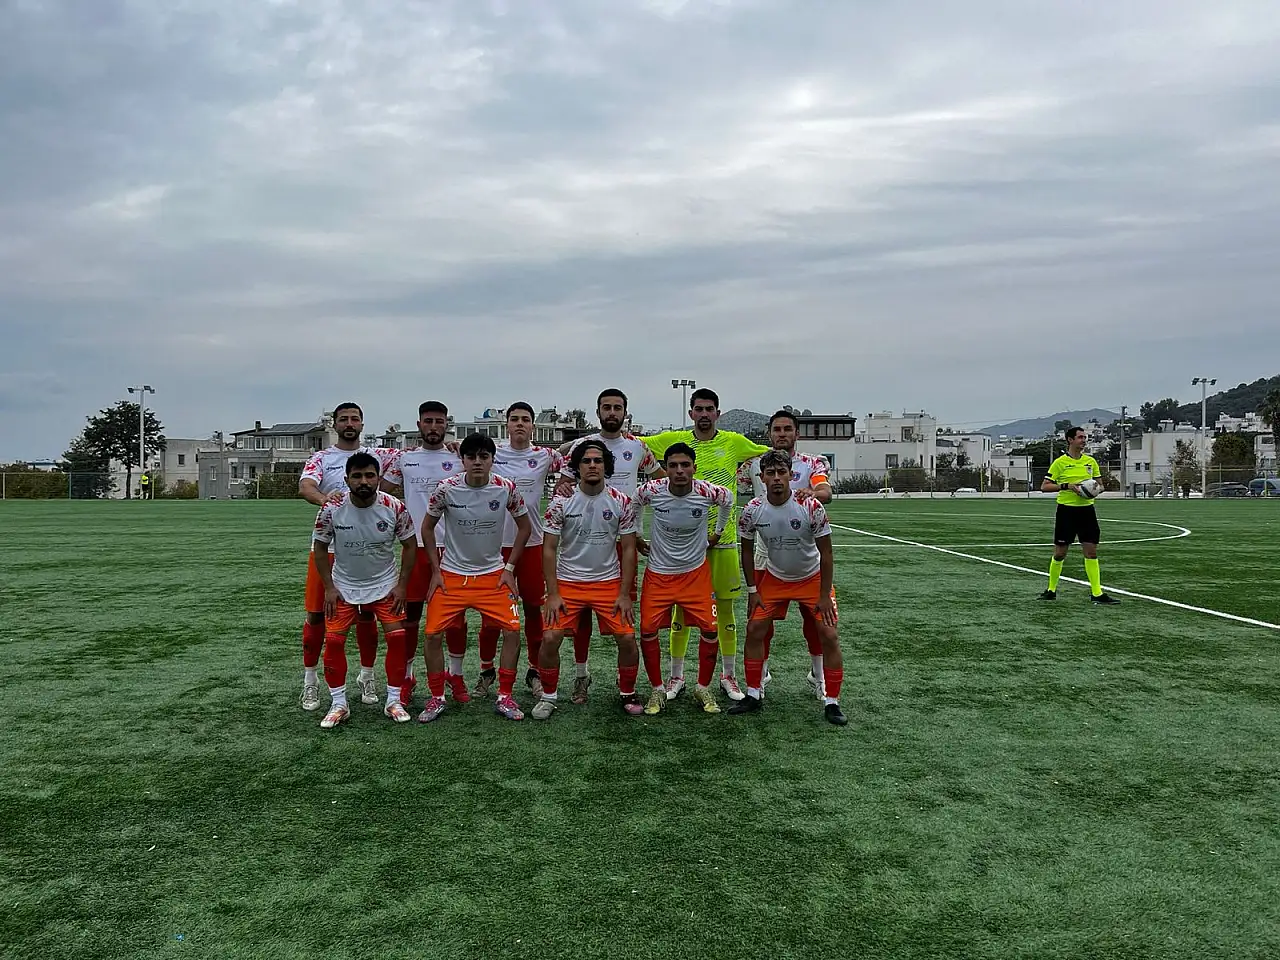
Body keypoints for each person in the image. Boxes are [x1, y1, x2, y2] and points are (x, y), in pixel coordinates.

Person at [639, 388, 769, 702]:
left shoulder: (734, 442)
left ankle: (728, 676)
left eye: (710, 409)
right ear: (691, 413)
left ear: (718, 413)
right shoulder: (674, 441)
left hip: (722, 543)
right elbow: (632, 444)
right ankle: (677, 677)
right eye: (699, 409)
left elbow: (770, 451)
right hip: (681, 548)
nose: (704, 414)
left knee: (724, 612)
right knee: (679, 613)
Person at [556, 388, 664, 703]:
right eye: (607, 407)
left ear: (625, 412)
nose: (612, 412)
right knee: (579, 619)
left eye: (617, 407)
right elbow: (564, 481)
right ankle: (581, 675)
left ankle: (625, 681)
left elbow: (661, 480)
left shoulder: (637, 446)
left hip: (623, 540)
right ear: (598, 412)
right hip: (583, 541)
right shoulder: (583, 446)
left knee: (622, 616)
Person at [419, 433, 533, 722]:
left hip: (493, 576)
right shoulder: (446, 489)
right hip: (452, 576)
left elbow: (525, 527)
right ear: (463, 460)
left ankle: (505, 696)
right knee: (431, 635)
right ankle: (436, 697)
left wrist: (509, 569)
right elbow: (427, 528)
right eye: (471, 457)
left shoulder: (505, 488)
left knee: (512, 631)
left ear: (492, 460)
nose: (478, 462)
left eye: (484, 456)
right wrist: (436, 571)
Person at [732, 450, 848, 726]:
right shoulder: (752, 510)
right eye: (770, 473)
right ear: (762, 478)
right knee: (754, 629)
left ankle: (832, 701)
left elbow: (827, 553)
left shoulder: (810, 506)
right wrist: (752, 590)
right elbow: (746, 551)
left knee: (829, 634)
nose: (776, 478)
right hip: (775, 578)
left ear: (790, 476)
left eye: (781, 472)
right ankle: (753, 693)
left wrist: (824, 595)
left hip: (812, 579)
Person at [297, 402, 397, 712]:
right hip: (329, 551)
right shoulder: (322, 458)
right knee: (317, 614)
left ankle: (367, 676)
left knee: (367, 614)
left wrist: (452, 447)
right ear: (335, 424)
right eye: (343, 419)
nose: (349, 423)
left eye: (355, 418)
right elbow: (306, 486)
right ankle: (310, 680)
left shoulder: (378, 454)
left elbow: (417, 456)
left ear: (362, 424)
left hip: (366, 552)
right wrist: (324, 499)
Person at [534, 440, 645, 719]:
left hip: (608, 583)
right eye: (586, 461)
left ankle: (628, 692)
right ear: (577, 467)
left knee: (627, 638)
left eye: (598, 460)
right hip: (568, 583)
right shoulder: (560, 502)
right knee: (550, 637)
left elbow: (628, 549)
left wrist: (624, 594)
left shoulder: (621, 501)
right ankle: (548, 696)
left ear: (606, 466)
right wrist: (553, 593)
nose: (592, 465)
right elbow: (549, 549)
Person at [310, 452, 418, 728]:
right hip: (344, 586)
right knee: (334, 641)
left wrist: (402, 585)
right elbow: (320, 548)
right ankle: (338, 704)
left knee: (397, 638)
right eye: (357, 476)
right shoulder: (332, 508)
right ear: (347, 479)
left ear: (378, 478)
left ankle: (393, 700)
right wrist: (329, 587)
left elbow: (410, 545)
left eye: (370, 475)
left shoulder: (394, 506)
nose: (364, 481)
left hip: (385, 585)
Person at [632, 443, 733, 715]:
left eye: (685, 465)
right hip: (659, 575)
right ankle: (657, 689)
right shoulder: (653, 490)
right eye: (673, 465)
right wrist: (638, 535)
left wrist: (717, 533)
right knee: (647, 630)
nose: (679, 470)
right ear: (666, 469)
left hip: (695, 575)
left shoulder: (706, 491)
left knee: (710, 630)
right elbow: (635, 501)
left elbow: (729, 499)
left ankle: (703, 687)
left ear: (694, 468)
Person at [381, 401, 470, 706]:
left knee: (455, 620)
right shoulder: (404, 459)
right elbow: (382, 493)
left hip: (454, 550)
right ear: (419, 425)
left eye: (439, 421)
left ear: (447, 425)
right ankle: (407, 678)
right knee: (410, 618)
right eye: (428, 421)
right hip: (416, 548)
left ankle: (455, 675)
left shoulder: (459, 457)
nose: (434, 427)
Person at [474, 403, 566, 701]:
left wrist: (565, 483)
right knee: (491, 616)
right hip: (494, 545)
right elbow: (462, 459)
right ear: (507, 425)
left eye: (525, 419)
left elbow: (572, 461)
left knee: (533, 610)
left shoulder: (545, 455)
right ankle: (486, 670)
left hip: (532, 544)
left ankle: (535, 671)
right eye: (514, 419)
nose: (519, 424)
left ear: (532, 426)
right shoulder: (493, 453)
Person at [738, 410, 832, 697]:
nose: (782, 434)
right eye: (776, 429)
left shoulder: (812, 463)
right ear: (769, 434)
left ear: (796, 433)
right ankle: (761, 675)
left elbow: (825, 490)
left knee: (814, 619)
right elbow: (735, 485)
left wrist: (813, 494)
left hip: (802, 548)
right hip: (765, 550)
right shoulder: (754, 463)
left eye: (787, 429)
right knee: (760, 621)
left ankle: (818, 675)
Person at [1039, 426, 1119, 604]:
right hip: (1066, 511)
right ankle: (1051, 590)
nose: (1084, 440)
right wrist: (1067, 486)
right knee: (1060, 553)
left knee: (1091, 551)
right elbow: (1044, 486)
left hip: (1087, 511)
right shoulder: (1060, 463)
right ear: (1070, 440)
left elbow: (1100, 485)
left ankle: (1097, 593)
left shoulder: (1091, 462)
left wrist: (1092, 490)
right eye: (1080, 437)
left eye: (1085, 437)